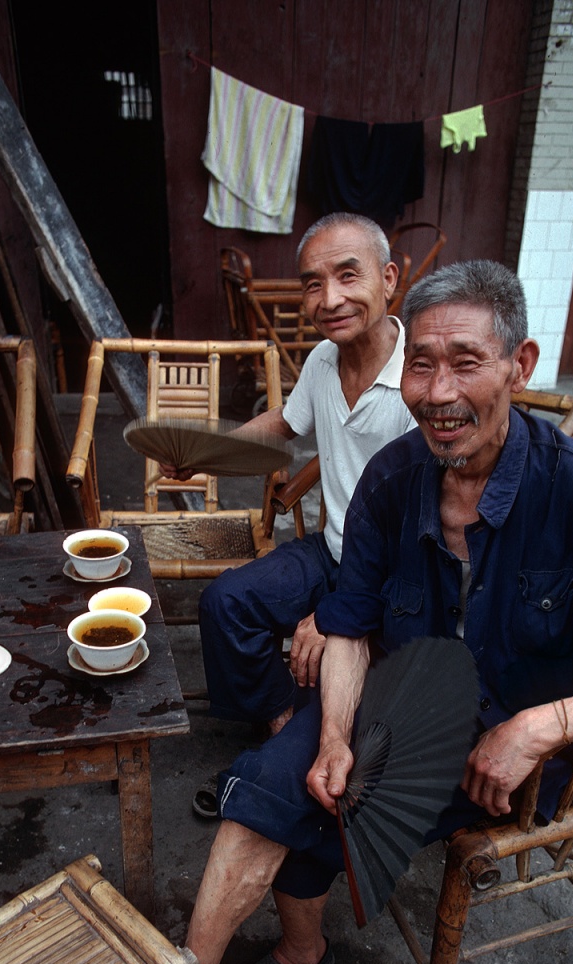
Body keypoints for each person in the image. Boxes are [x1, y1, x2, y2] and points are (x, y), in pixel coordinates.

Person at [83, 260, 573, 964]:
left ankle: (296, 948)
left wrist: (540, 727)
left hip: (530, 753)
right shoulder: (394, 480)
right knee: (279, 784)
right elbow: (352, 628)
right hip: (406, 701)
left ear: (520, 365)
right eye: (422, 364)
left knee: (320, 820)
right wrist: (329, 736)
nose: (437, 391)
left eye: (466, 362)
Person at [163, 214, 416, 816]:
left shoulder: (419, 381)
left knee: (334, 642)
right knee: (226, 602)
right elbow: (284, 423)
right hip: (332, 548)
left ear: (388, 278)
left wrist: (334, 614)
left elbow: (424, 533)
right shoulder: (327, 361)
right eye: (312, 283)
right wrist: (207, 454)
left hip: (394, 574)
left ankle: (311, 743)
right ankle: (281, 723)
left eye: (347, 276)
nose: (329, 299)